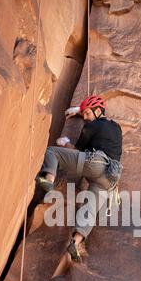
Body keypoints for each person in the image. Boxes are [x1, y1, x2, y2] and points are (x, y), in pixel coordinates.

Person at [36, 95, 122, 262]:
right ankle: (75, 243)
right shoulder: (116, 128)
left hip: (95, 163)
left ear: (98, 112)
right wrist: (81, 111)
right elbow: (100, 125)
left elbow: (77, 150)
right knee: (89, 210)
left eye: (87, 114)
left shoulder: (93, 125)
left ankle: (49, 180)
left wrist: (65, 142)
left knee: (52, 152)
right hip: (110, 178)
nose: (85, 118)